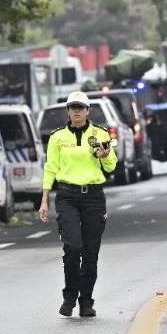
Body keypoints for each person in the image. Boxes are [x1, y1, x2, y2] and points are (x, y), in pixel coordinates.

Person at [38, 90, 118, 318]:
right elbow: (50, 168)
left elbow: (111, 166)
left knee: (91, 252)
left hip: (93, 196)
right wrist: (44, 200)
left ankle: (86, 301)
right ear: (67, 111)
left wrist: (105, 156)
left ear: (87, 110)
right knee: (73, 247)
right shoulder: (57, 137)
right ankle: (70, 294)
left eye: (81, 107)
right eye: (73, 107)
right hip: (67, 196)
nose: (77, 111)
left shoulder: (99, 133)